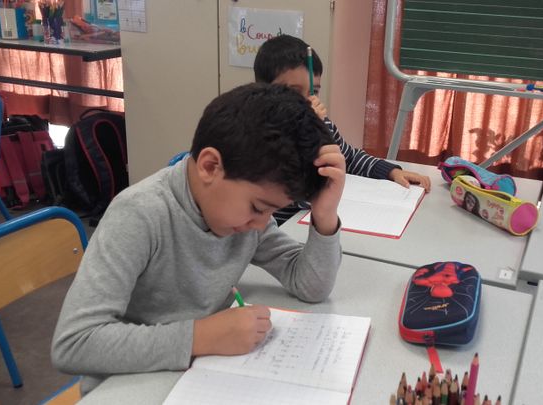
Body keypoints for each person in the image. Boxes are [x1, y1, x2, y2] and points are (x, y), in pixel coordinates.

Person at [51, 83, 346, 394]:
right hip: (129, 386)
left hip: (200, 378)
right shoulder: (139, 215)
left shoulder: (240, 218)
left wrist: (324, 215)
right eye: (258, 208)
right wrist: (201, 336)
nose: (261, 225)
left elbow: (310, 285)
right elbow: (74, 343)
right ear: (210, 167)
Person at [254, 34, 432, 225]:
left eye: (313, 92)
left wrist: (391, 172)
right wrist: (307, 132)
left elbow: (350, 158)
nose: (307, 101)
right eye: (293, 92)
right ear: (262, 90)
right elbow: (294, 191)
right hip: (278, 231)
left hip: (312, 225)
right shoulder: (257, 134)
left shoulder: (323, 125)